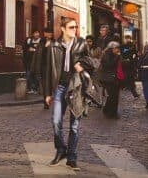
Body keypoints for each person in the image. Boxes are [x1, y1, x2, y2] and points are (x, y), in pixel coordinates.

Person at [43, 17, 94, 171]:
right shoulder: (54, 45)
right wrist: (47, 93)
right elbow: (47, 70)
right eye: (71, 27)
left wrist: (82, 65)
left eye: (76, 27)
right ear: (63, 29)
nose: (74, 30)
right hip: (60, 87)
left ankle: (71, 158)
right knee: (56, 121)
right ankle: (61, 149)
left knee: (74, 125)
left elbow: (91, 62)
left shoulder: (81, 43)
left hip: (76, 88)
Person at [101, 42, 122, 119]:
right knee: (113, 96)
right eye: (117, 48)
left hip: (113, 78)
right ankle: (112, 113)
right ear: (112, 48)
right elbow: (108, 65)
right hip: (109, 78)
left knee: (113, 95)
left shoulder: (114, 55)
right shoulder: (107, 55)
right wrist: (117, 57)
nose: (118, 50)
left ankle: (107, 110)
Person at [24, 30, 42, 94]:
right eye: (35, 33)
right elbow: (25, 49)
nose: (37, 34)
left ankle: (36, 89)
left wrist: (34, 50)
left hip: (38, 61)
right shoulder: (29, 41)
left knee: (37, 75)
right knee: (29, 75)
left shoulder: (41, 41)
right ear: (32, 34)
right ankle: (31, 88)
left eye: (37, 33)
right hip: (30, 61)